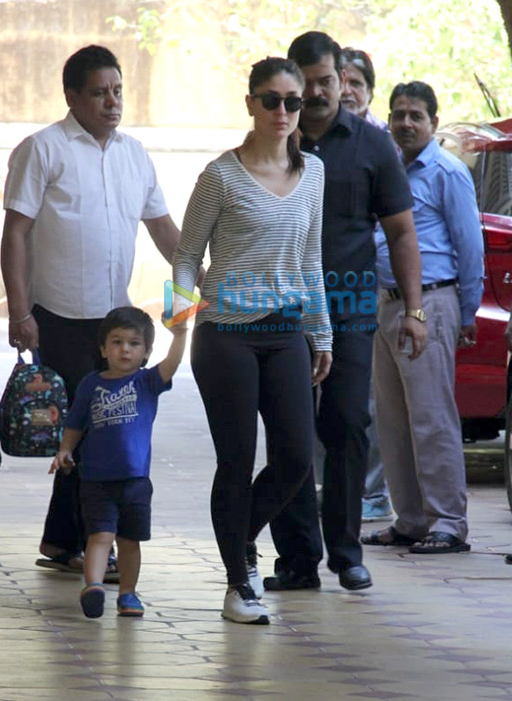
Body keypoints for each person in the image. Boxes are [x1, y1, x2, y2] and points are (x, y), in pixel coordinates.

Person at [1, 45, 181, 575]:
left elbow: (163, 228)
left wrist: (199, 279)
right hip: (57, 314)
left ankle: (64, 539)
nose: (111, 102)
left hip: (113, 321)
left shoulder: (134, 154)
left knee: (99, 429)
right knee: (84, 428)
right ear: (72, 95)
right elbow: (15, 233)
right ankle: (76, 538)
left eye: (118, 91)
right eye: (100, 92)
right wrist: (19, 312)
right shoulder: (42, 149)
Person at [263, 32, 426, 593]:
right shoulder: (272, 141)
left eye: (326, 81)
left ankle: (347, 552)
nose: (316, 93)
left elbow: (402, 232)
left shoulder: (371, 146)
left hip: (351, 304)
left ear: (342, 78)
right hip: (282, 308)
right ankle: (297, 559)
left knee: (347, 425)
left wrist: (415, 311)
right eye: (304, 84)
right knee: (288, 431)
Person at [173, 57, 333, 624]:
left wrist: (322, 333)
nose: (284, 112)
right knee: (236, 460)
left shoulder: (313, 173)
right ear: (250, 104)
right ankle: (238, 584)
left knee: (294, 458)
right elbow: (187, 258)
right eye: (272, 100)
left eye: (295, 102)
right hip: (226, 336)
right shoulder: (220, 175)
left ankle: (241, 537)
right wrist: (177, 332)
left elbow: (311, 257)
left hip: (286, 330)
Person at [362, 81, 484, 553]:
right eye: (398, 115)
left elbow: (470, 246)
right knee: (392, 420)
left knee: (432, 418)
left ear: (434, 122)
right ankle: (411, 519)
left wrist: (467, 312)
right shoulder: (386, 170)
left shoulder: (448, 172)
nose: (406, 123)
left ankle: (448, 522)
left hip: (431, 303)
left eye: (416, 115)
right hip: (384, 303)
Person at [50, 307, 186, 618]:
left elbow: (173, 363)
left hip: (136, 481)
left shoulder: (148, 382)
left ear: (147, 351)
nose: (125, 349)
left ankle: (128, 593)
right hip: (95, 480)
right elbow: (75, 422)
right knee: (99, 536)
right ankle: (94, 587)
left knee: (129, 541)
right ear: (103, 349)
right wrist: (65, 450)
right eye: (116, 342)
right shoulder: (90, 384)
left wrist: (181, 335)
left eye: (134, 343)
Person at [339, 46, 393, 522]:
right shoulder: (310, 138)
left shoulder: (380, 142)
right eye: (342, 81)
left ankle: (372, 492)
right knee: (322, 393)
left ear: (369, 91)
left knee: (365, 400)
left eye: (357, 82)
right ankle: (328, 487)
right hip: (326, 288)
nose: (348, 90)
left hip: (372, 285)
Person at [340, 47, 387, 130]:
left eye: (355, 84)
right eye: (341, 82)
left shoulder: (384, 134)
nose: (346, 91)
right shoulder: (317, 132)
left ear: (369, 91)